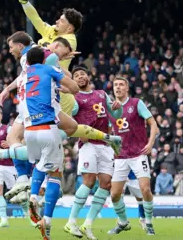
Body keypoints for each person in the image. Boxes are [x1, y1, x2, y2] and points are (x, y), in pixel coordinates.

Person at [0, 33, 122, 201]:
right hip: (40, 106)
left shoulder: (40, 56)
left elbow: (65, 79)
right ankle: (29, 183)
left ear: (21, 46)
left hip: (40, 106)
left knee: (20, 139)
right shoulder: (38, 57)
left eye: (11, 47)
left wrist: (64, 74)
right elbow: (46, 72)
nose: (9, 50)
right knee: (58, 135)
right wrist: (7, 89)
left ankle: (25, 179)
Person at [22, 47, 79, 240]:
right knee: (56, 171)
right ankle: (44, 215)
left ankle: (34, 195)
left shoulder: (25, 73)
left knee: (40, 164)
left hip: (29, 130)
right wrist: (61, 76)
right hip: (47, 127)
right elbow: (75, 88)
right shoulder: (48, 69)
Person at [64, 66, 123, 239]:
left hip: (106, 144)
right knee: (88, 181)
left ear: (88, 76)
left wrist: (118, 107)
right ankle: (71, 221)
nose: (80, 77)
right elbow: (69, 117)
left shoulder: (102, 94)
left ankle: (87, 224)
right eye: (76, 76)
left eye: (83, 74)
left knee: (105, 184)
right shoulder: (74, 98)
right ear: (73, 81)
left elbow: (116, 115)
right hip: (88, 143)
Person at [106, 77, 158, 236]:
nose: (118, 87)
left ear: (127, 88)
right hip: (120, 156)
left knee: (145, 189)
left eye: (121, 84)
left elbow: (153, 124)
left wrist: (150, 144)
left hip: (138, 154)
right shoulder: (109, 108)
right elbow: (108, 132)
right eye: (115, 85)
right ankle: (122, 222)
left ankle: (148, 222)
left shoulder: (136, 103)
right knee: (114, 194)